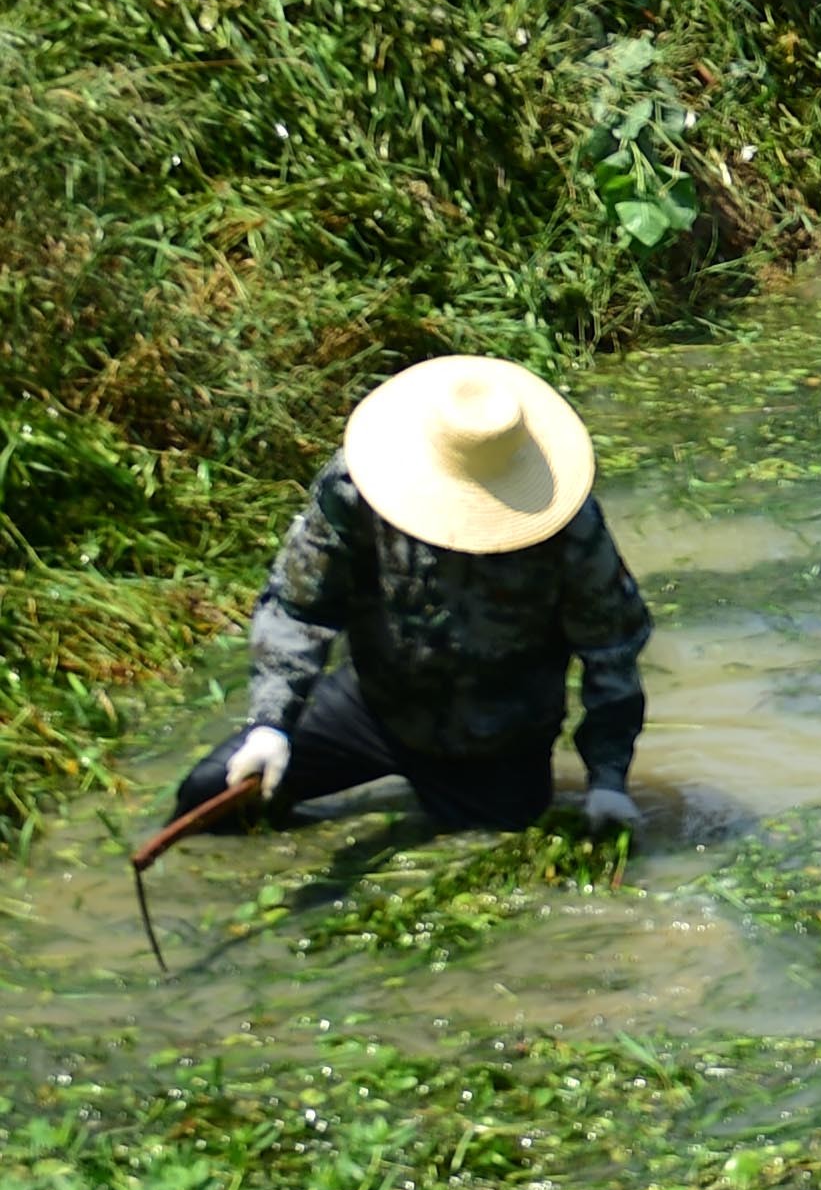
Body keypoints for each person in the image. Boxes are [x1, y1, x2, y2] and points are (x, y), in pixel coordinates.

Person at [171, 355, 652, 838]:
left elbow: (611, 648)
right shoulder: (358, 484)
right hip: (372, 707)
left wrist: (607, 779)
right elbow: (298, 606)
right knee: (210, 797)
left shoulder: (567, 525)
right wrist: (271, 724)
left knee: (496, 851)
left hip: (496, 739)